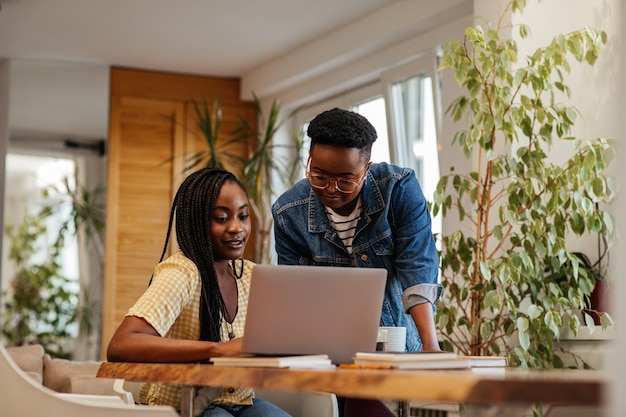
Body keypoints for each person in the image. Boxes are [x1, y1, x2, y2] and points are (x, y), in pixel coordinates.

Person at [272, 108, 442, 416]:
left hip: (393, 344)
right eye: (319, 175)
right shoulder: (288, 212)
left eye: (346, 180)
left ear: (367, 169)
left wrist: (431, 348)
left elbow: (417, 268)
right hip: (325, 352)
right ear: (309, 160)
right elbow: (295, 294)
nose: (331, 190)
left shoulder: (399, 190)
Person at [107, 167, 291, 417]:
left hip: (241, 401)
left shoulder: (252, 275)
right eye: (222, 218)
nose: (237, 228)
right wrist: (216, 350)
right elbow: (122, 344)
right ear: (197, 222)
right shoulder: (182, 274)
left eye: (243, 216)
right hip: (183, 407)